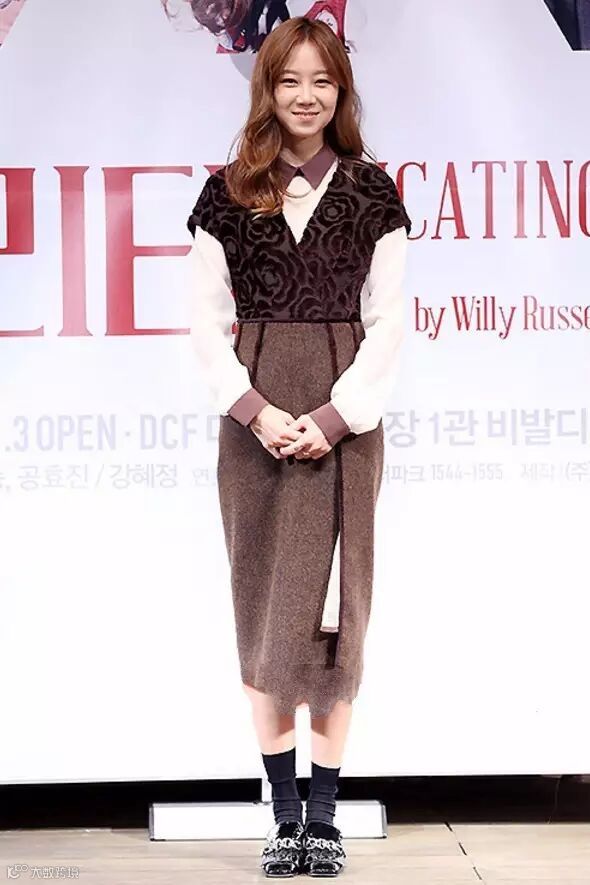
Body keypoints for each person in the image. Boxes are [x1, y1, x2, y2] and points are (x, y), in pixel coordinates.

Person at [186, 15, 411, 877]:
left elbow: (388, 326)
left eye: (322, 80)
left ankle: (324, 817)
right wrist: (254, 409)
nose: (306, 96)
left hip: (344, 427)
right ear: (267, 89)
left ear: (341, 90)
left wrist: (333, 417)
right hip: (254, 432)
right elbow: (205, 324)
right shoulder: (227, 195)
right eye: (290, 80)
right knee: (263, 609)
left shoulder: (372, 193)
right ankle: (283, 816)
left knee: (335, 619)